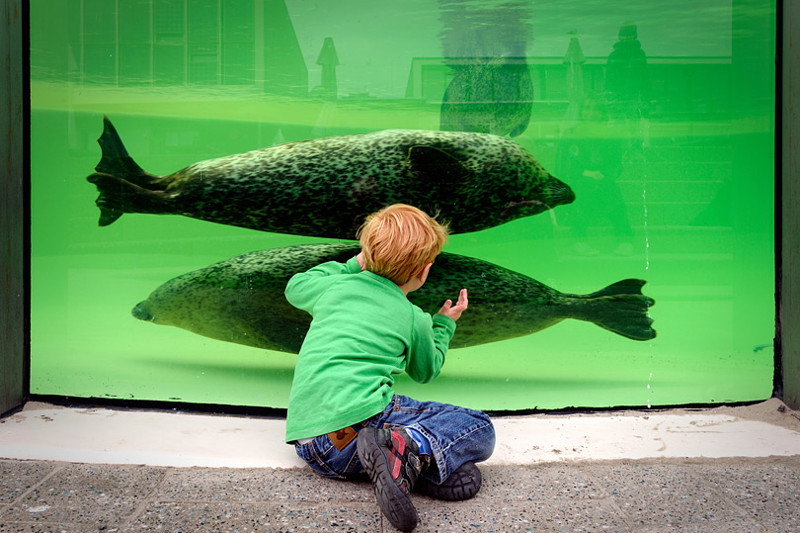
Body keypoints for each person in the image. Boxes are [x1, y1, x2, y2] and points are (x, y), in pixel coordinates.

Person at [284, 204, 496, 531]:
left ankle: (403, 464)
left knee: (443, 453)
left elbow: (295, 286)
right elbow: (426, 371)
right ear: (424, 272)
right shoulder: (414, 318)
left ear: (365, 253)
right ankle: (412, 447)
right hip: (360, 429)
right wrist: (443, 325)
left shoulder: (333, 288)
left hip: (312, 447)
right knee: (479, 428)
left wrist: (354, 264)